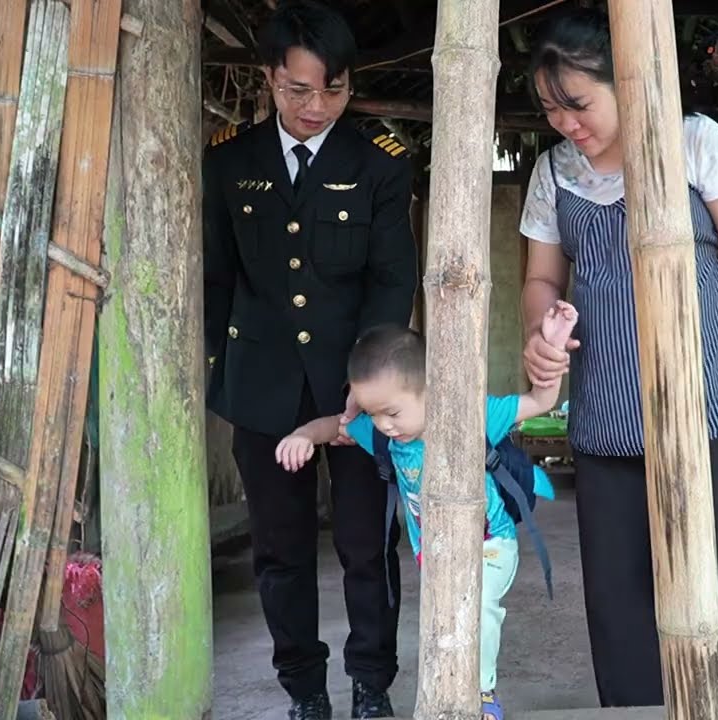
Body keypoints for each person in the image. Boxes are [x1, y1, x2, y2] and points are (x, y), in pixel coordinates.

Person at [517, 8, 718, 708]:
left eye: (578, 104)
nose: (566, 124)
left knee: (715, 557)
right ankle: (634, 707)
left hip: (706, 389)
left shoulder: (696, 142)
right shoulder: (553, 173)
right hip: (606, 403)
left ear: (626, 81)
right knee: (615, 583)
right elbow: (541, 280)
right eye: (551, 110)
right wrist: (542, 331)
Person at [201, 2, 418, 717]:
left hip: (359, 394)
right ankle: (304, 692)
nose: (316, 106)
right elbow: (216, 280)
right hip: (262, 391)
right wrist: (216, 376)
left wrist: (372, 386)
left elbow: (391, 281)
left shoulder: (378, 167)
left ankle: (370, 685)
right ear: (269, 79)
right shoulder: (231, 163)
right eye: (299, 90)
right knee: (280, 554)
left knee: (366, 547)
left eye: (334, 90)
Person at [273, 301, 579, 720]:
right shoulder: (385, 435)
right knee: (444, 629)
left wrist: (552, 346)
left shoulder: (474, 414)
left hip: (491, 544)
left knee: (481, 605)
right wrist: (303, 436)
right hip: (434, 557)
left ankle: (484, 693)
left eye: (392, 412)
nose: (383, 424)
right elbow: (334, 426)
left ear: (429, 389)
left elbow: (539, 401)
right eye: (373, 413)